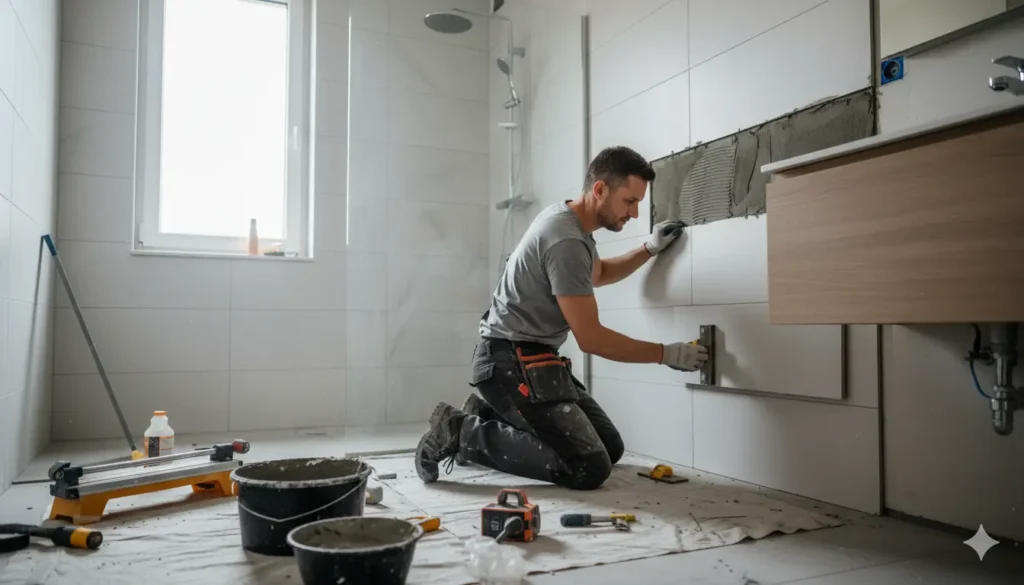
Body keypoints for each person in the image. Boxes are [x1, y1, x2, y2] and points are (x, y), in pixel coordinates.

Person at [413, 145, 709, 490]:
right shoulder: (566, 239)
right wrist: (667, 354)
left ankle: (486, 414)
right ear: (600, 189)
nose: (635, 212)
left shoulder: (572, 223)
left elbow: (597, 273)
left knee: (609, 448)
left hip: (531, 359)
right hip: (507, 362)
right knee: (587, 466)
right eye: (629, 201)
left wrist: (649, 249)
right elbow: (592, 338)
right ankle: (459, 431)